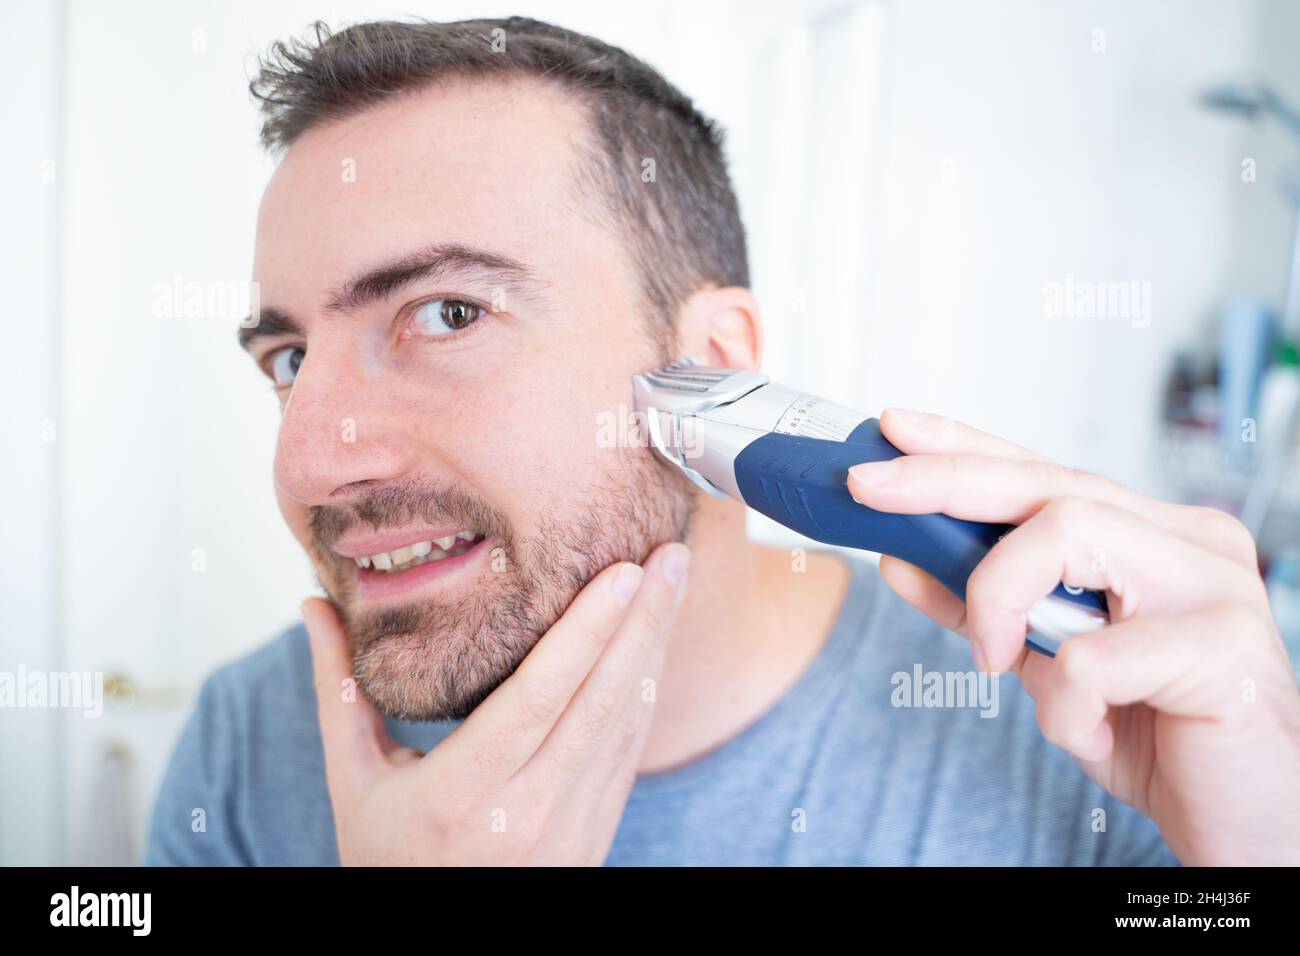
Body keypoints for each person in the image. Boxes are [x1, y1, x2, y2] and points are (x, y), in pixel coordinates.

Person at [146, 16, 1300, 866]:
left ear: (711, 367)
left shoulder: (1079, 739)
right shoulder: (254, 742)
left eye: (448, 313)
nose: (308, 463)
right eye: (289, 359)